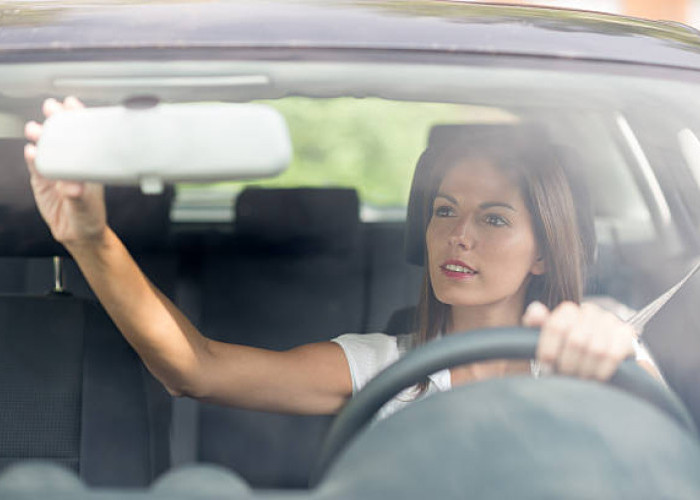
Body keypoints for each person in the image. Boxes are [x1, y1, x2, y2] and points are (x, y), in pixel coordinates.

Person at [23, 97, 657, 420]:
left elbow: (663, 456)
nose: (459, 235)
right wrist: (88, 237)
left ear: (544, 251)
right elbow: (197, 369)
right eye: (443, 209)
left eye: (494, 218)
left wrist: (611, 345)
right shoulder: (381, 367)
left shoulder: (595, 353)